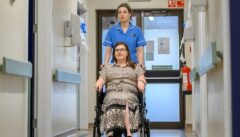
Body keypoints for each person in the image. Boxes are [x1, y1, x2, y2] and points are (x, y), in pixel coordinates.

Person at [96, 42, 147, 137]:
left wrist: (141, 82)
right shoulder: (107, 68)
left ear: (127, 52)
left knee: (125, 99)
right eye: (117, 50)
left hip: (130, 93)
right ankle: (110, 132)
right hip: (112, 92)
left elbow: (141, 78)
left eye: (122, 50)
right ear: (114, 53)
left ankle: (128, 132)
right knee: (113, 99)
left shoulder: (136, 67)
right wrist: (99, 82)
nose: (119, 52)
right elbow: (101, 79)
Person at [102, 3, 147, 67]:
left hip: (133, 65)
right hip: (116, 65)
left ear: (130, 14)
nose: (122, 14)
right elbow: (108, 49)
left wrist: (141, 64)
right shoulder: (112, 30)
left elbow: (140, 49)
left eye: (124, 12)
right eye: (119, 12)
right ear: (117, 15)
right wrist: (105, 64)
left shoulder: (137, 30)